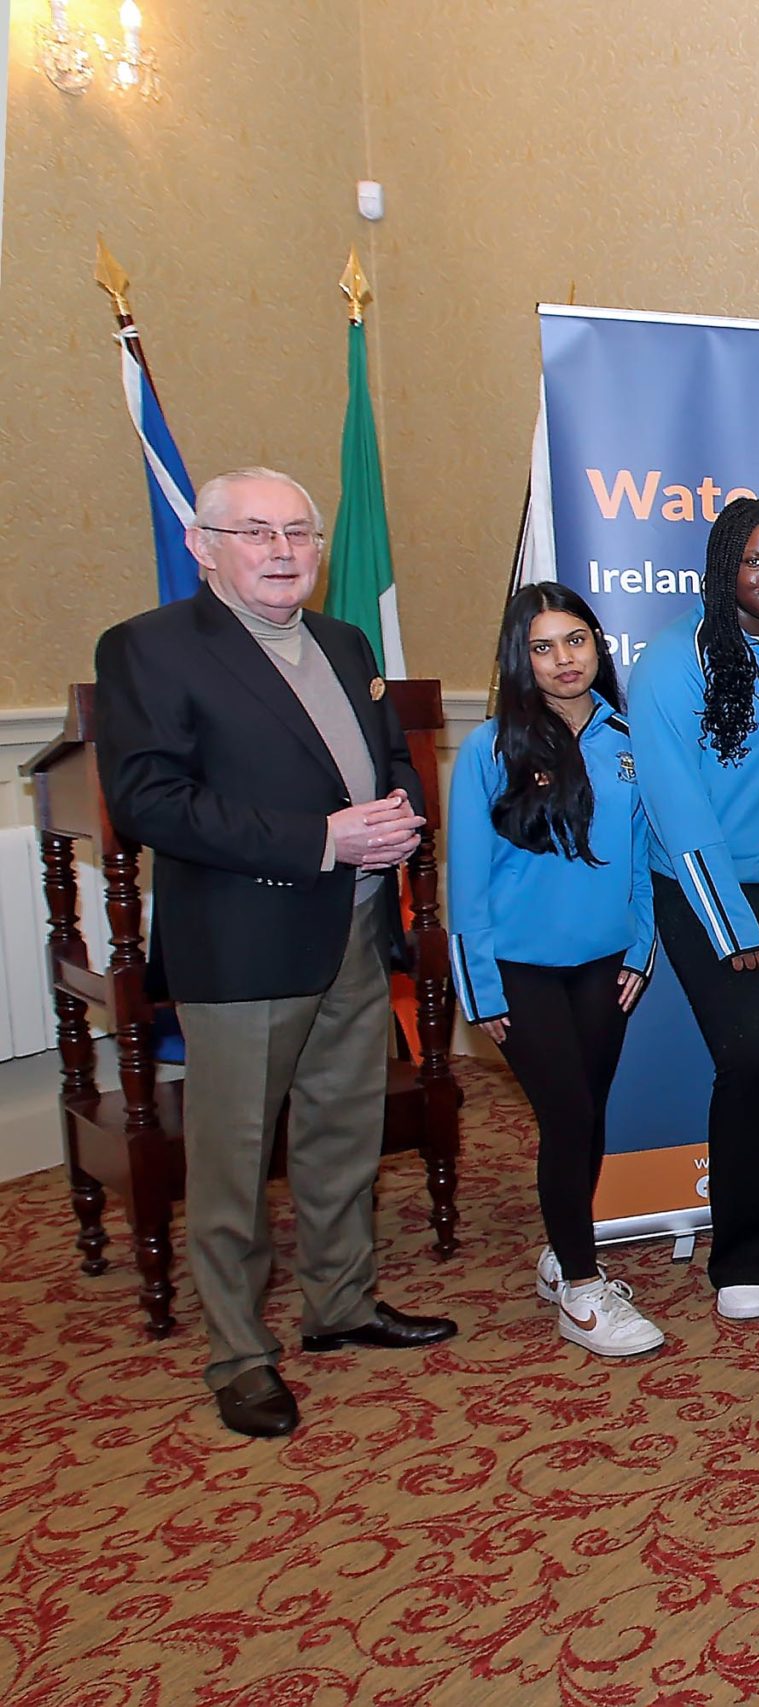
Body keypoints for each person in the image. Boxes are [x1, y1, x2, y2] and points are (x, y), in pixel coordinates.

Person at [93, 466, 456, 1439]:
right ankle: (239, 1354)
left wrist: (400, 816)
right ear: (205, 544)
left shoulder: (342, 641)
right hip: (244, 938)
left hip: (355, 927)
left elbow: (386, 760)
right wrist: (323, 841)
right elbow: (150, 801)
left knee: (342, 1132)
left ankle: (341, 1305)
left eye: (300, 533)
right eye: (257, 532)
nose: (285, 552)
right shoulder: (150, 649)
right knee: (236, 1156)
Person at [628, 496, 759, 1324]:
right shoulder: (672, 660)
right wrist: (730, 920)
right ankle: (740, 1253)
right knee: (749, 1058)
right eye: (755, 561)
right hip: (707, 891)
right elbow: (677, 806)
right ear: (724, 569)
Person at [449, 584, 662, 1358]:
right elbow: (465, 880)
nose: (564, 659)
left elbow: (643, 858)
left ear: (597, 646)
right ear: (521, 657)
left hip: (606, 967)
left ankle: (560, 1251)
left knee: (586, 1116)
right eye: (543, 646)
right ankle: (580, 1287)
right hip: (520, 973)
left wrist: (641, 948)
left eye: (576, 641)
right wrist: (480, 987)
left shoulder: (625, 737)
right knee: (569, 1116)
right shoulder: (490, 749)